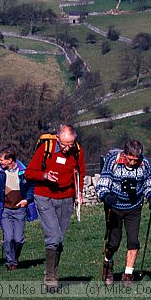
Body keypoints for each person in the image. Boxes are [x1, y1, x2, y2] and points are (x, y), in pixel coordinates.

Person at [25, 123, 86, 290]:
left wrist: (78, 193)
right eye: (64, 144)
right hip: (44, 196)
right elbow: (29, 172)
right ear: (57, 138)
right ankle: (50, 277)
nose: (67, 148)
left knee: (59, 239)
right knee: (54, 237)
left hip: (66, 198)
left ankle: (52, 271)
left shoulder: (78, 151)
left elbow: (81, 173)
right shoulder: (46, 149)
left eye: (70, 144)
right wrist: (44, 175)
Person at [95, 139, 151, 284]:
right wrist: (105, 195)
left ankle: (128, 274)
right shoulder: (113, 162)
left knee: (133, 241)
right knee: (113, 243)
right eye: (130, 159)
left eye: (135, 160)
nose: (132, 163)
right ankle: (108, 264)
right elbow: (103, 182)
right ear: (125, 154)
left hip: (134, 207)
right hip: (115, 207)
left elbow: (149, 183)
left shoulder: (144, 164)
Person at [0, 147, 33, 271]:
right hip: (5, 210)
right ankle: (11, 262)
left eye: (2, 160)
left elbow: (32, 187)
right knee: (8, 237)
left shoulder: (24, 172)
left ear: (10, 160)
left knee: (19, 239)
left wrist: (27, 200)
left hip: (20, 210)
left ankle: (15, 256)